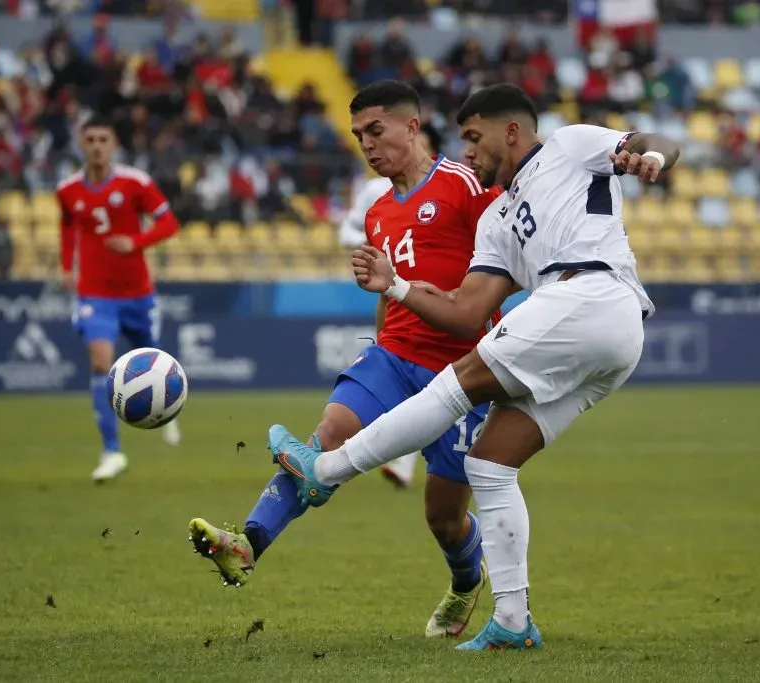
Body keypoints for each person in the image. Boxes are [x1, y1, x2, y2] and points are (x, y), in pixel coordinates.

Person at [267, 84, 679, 651]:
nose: (468, 151)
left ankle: (326, 470)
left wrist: (650, 156)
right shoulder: (498, 220)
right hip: (607, 336)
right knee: (488, 464)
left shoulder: (569, 145)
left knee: (453, 386)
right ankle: (513, 621)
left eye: (473, 137)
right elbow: (465, 314)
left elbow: (654, 141)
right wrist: (399, 285)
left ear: (511, 131)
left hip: (591, 292)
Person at [188, 81, 504, 640]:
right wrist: (379, 344)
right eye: (359, 136)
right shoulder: (379, 212)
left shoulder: (464, 186)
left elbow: (513, 254)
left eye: (376, 131)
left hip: (462, 371)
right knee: (326, 436)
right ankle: (247, 542)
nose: (367, 145)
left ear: (413, 126)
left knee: (444, 518)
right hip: (394, 356)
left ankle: (464, 582)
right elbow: (388, 293)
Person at [57, 116, 182, 482]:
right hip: (95, 293)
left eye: (103, 139)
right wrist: (67, 266)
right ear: (82, 144)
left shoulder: (135, 183)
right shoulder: (67, 191)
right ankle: (112, 451)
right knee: (100, 363)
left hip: (137, 293)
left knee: (154, 360)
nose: (96, 145)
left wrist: (136, 242)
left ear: (113, 145)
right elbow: (66, 226)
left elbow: (169, 223)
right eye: (91, 139)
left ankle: (168, 411)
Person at [337, 121, 445, 489]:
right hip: (392, 294)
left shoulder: (446, 185)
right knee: (402, 370)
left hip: (434, 293)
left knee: (433, 384)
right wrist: (377, 244)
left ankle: (404, 462)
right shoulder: (375, 192)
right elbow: (347, 231)